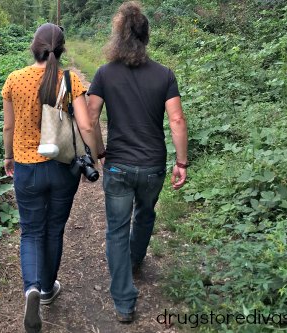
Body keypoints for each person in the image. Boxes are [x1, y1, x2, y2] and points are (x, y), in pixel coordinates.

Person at [87, 1, 188, 323]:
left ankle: (124, 301)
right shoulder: (165, 75)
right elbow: (176, 121)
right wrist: (181, 162)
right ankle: (135, 259)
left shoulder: (104, 74)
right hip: (154, 165)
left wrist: (99, 152)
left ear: (118, 36)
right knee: (145, 213)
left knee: (116, 230)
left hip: (118, 165)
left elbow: (89, 118)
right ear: (146, 37)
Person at [1, 23, 97, 333]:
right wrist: (92, 158)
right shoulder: (70, 80)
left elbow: (8, 128)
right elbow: (86, 126)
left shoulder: (14, 80)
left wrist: (8, 157)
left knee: (30, 231)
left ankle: (31, 288)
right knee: (54, 228)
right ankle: (46, 289)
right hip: (61, 167)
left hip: (27, 168)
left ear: (34, 47)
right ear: (62, 49)